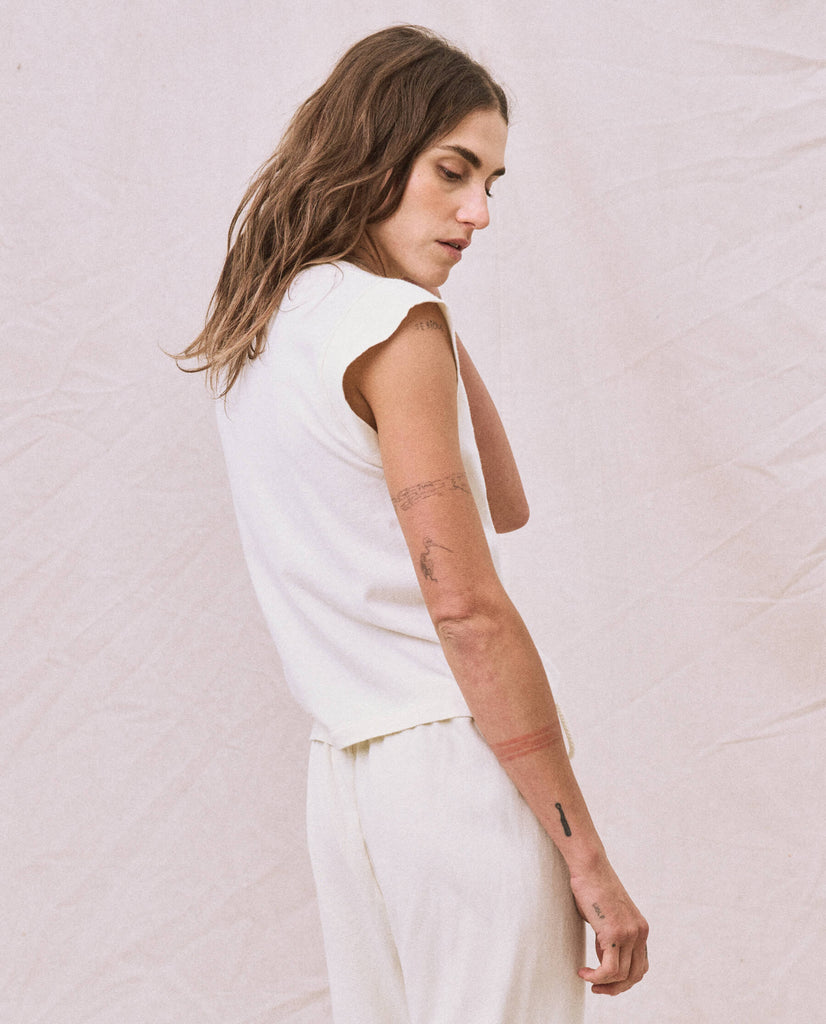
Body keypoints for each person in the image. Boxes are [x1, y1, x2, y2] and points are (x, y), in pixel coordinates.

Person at [177, 24, 648, 1023]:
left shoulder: (266, 325)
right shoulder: (389, 329)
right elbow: (467, 609)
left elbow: (505, 503)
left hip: (347, 781)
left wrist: (422, 306)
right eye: (453, 170)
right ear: (374, 148)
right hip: (456, 771)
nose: (479, 211)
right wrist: (587, 858)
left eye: (492, 183)